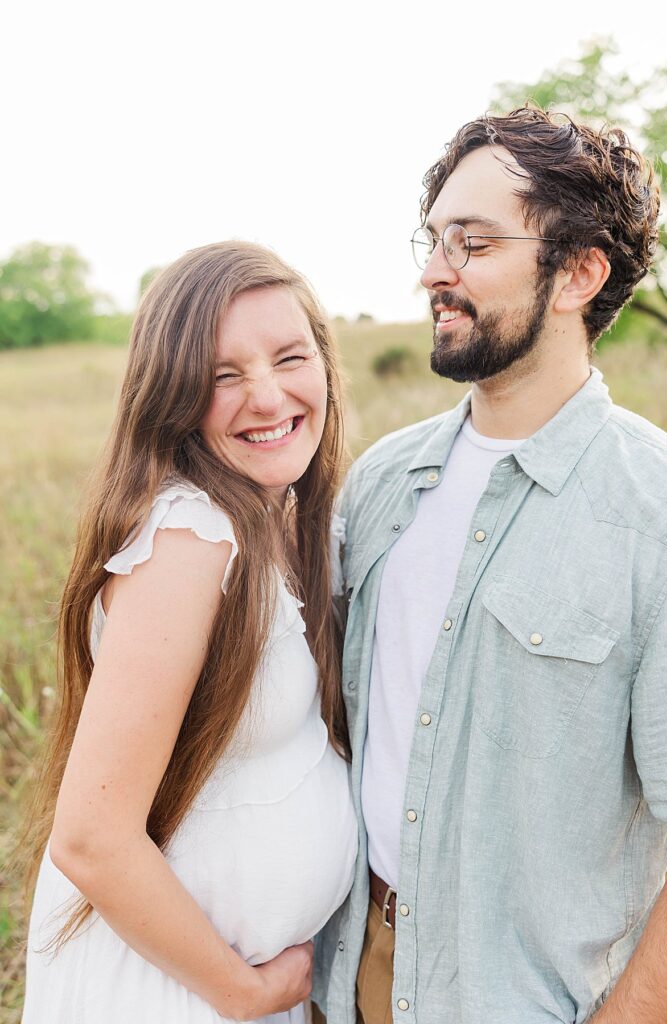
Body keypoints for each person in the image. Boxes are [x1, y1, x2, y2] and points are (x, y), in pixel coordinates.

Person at [313, 108, 667, 1024]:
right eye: (433, 240)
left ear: (580, 273)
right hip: (358, 976)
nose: (434, 271)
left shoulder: (663, 516)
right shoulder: (378, 484)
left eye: (472, 243)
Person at [21, 241, 357, 1023]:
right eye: (223, 375)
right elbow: (92, 839)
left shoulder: (292, 518)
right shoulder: (190, 540)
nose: (269, 397)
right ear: (172, 396)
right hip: (171, 993)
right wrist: (244, 993)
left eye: (288, 357)